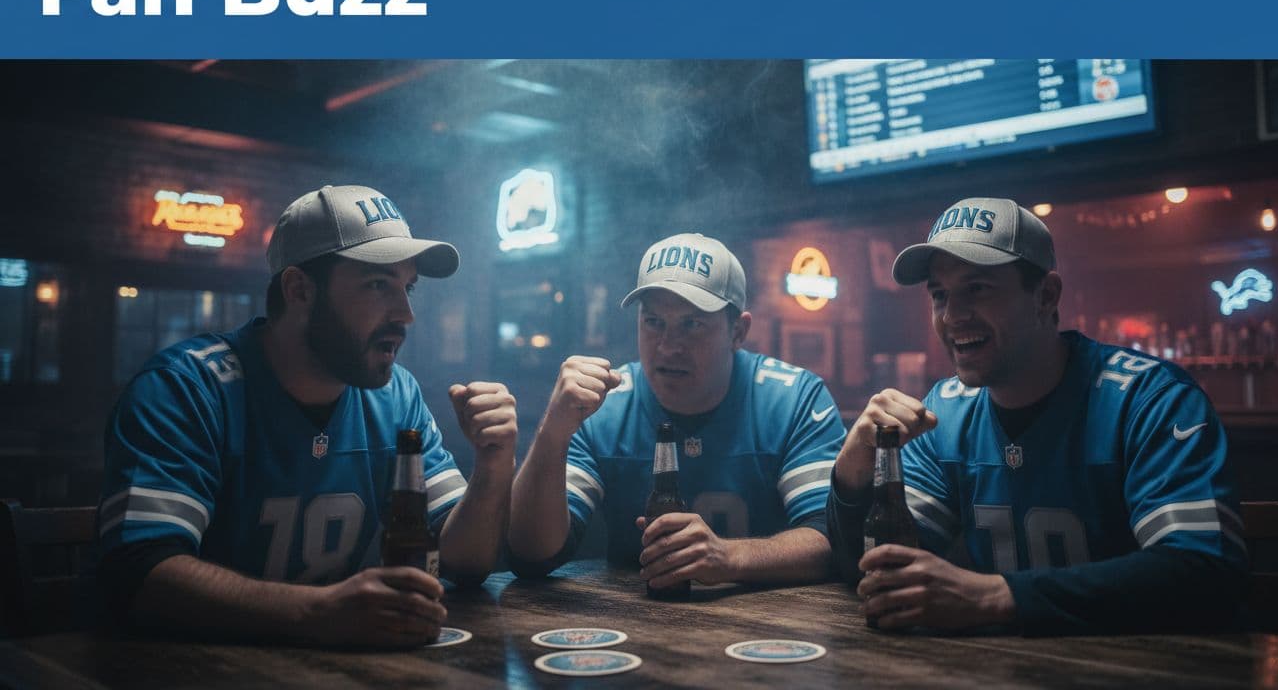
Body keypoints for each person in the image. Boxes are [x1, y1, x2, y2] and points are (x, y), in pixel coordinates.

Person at [97, 184, 518, 648]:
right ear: (299, 290)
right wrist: (317, 611)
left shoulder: (397, 395)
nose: (406, 314)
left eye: (407, 287)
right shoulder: (185, 388)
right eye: (379, 284)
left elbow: (465, 560)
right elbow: (139, 574)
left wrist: (493, 464)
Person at [829, 197, 1247, 635]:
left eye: (978, 288)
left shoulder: (1149, 399)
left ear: (1046, 296)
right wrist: (852, 471)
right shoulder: (945, 413)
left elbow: (1205, 572)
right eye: (940, 295)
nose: (952, 316)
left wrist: (996, 596)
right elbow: (877, 569)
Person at [508, 233, 844, 591]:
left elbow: (828, 538)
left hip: (778, 636)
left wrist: (729, 558)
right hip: (634, 631)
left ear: (738, 331)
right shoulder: (604, 405)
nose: (668, 347)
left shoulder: (794, 399)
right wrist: (552, 432)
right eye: (653, 322)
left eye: (692, 324)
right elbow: (532, 555)